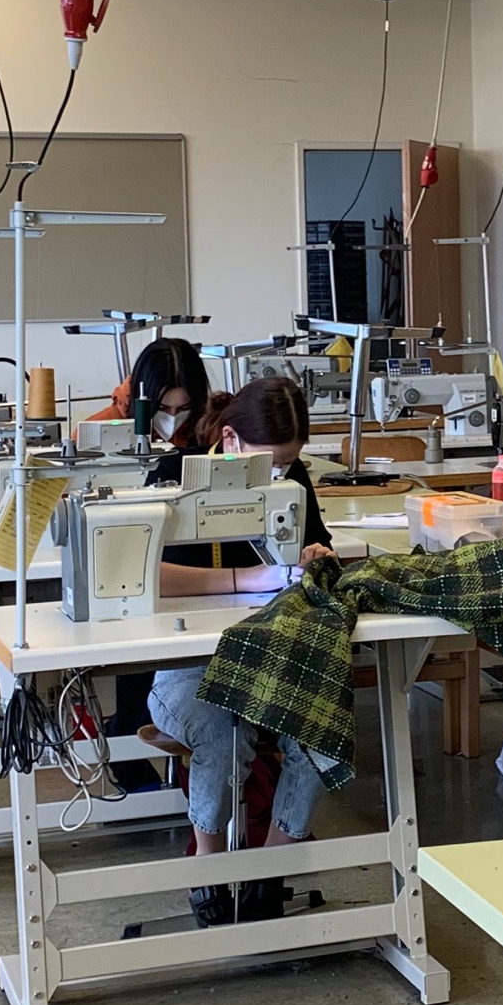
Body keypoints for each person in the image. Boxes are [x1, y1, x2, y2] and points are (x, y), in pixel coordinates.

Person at [142, 377, 335, 924]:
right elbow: (146, 574)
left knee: (320, 727)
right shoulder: (171, 477)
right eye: (270, 464)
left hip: (269, 656)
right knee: (222, 731)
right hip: (189, 663)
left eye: (288, 465)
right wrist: (244, 580)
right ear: (229, 440)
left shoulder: (290, 478)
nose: (281, 476)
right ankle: (208, 868)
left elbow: (312, 547)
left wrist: (316, 557)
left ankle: (268, 870)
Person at [86, 337, 209, 448]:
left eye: (184, 408)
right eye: (162, 408)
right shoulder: (94, 434)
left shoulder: (209, 427)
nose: (172, 418)